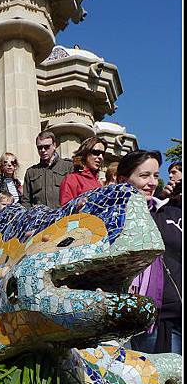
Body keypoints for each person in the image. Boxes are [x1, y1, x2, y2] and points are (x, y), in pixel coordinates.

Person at [116, 150, 182, 355]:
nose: (152, 182)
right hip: (149, 322)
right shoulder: (115, 218)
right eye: (144, 176)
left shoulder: (170, 212)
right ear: (123, 180)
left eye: (155, 175)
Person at [21, 130, 73, 209]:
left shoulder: (68, 166)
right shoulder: (31, 172)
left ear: (54, 145)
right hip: (40, 219)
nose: (43, 150)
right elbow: (26, 201)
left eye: (47, 147)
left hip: (63, 217)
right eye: (40, 147)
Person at [59, 136, 107, 205]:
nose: (100, 157)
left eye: (103, 154)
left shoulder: (99, 183)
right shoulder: (72, 179)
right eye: (96, 152)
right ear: (85, 153)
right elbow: (65, 209)